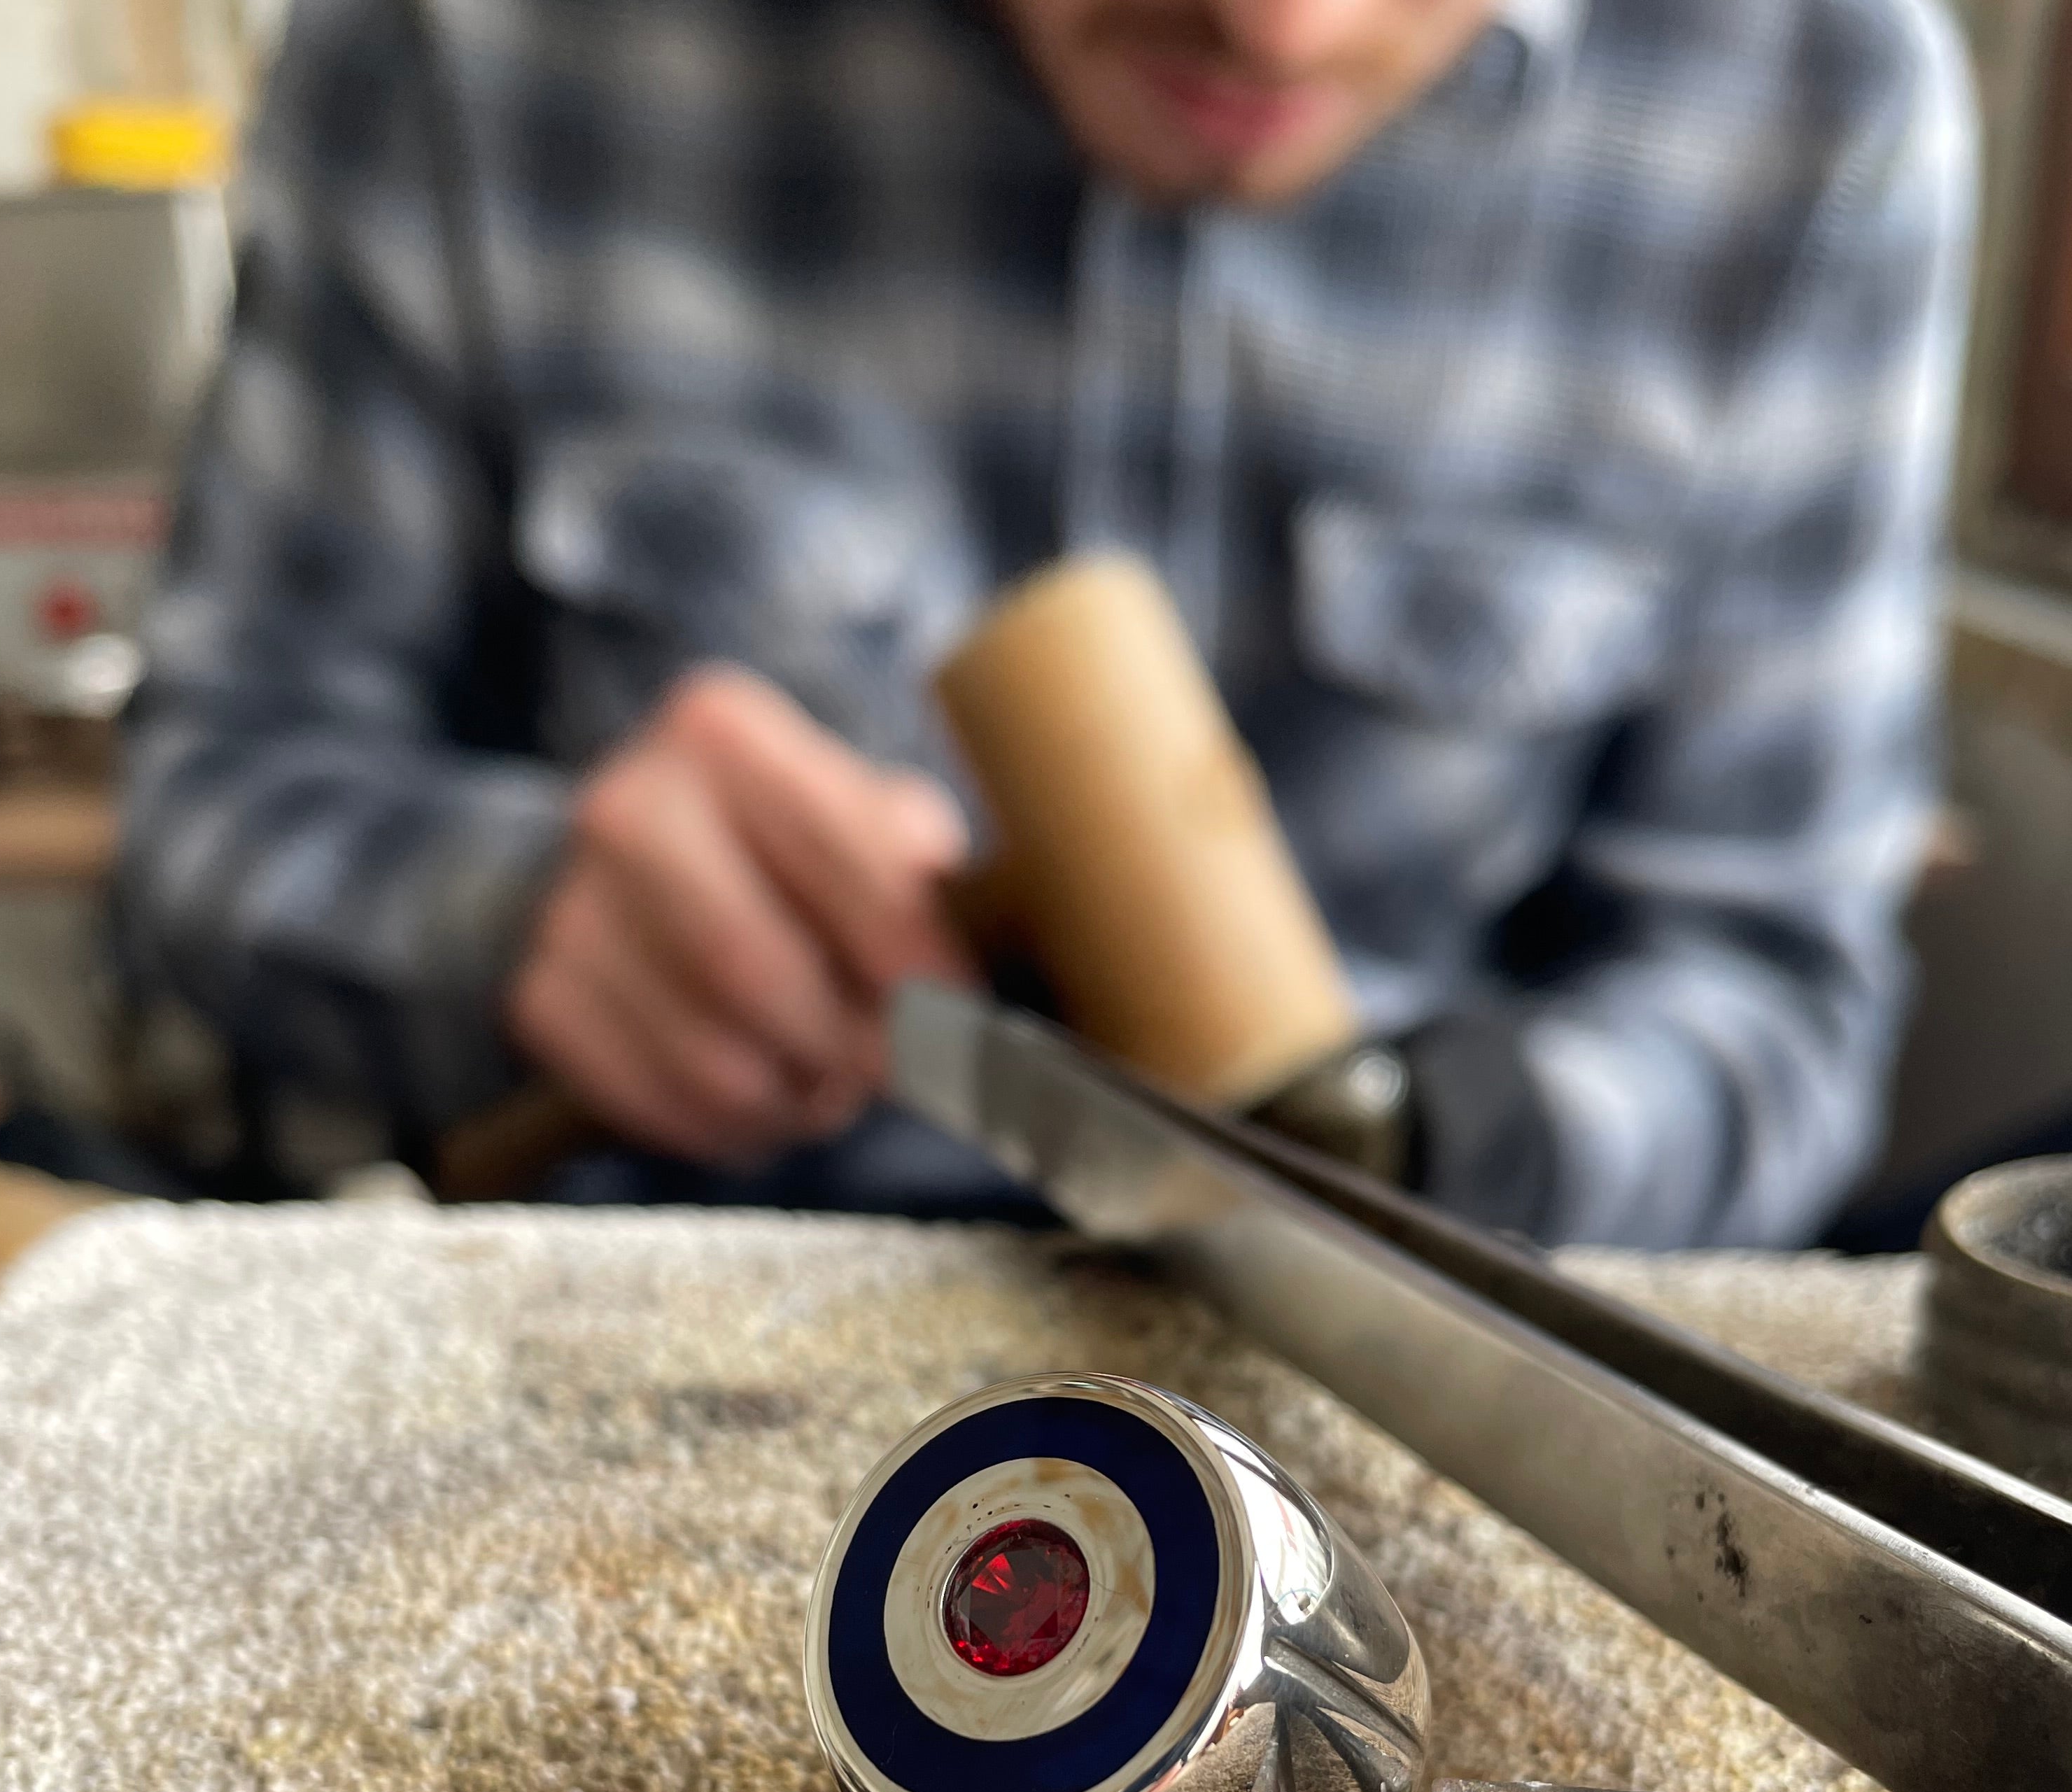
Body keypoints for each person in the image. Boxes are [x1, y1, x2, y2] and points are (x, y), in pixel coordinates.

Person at [115, 0, 1975, 1243]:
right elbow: (209, 799)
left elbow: (1773, 992)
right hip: (630, 1336)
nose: (1279, 25)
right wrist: (506, 917)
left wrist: (1429, 1142)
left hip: (1384, 1375)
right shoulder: (469, 43)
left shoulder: (1821, 95)